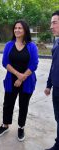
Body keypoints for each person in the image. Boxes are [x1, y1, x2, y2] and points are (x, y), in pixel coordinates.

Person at [0, 20, 39, 142]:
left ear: (25, 30)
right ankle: (5, 125)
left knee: (23, 105)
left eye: (20, 28)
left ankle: (21, 127)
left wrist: (22, 77)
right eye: (15, 28)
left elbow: (34, 64)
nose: (17, 30)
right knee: (8, 103)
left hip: (27, 81)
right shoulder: (9, 45)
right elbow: (5, 63)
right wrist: (18, 75)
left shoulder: (32, 46)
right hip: (11, 80)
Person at [44, 10, 59, 150]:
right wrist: (49, 85)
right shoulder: (56, 41)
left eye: (54, 22)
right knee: (58, 118)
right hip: (56, 89)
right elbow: (53, 65)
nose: (51, 26)